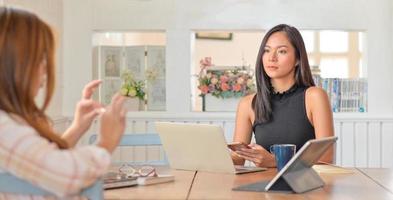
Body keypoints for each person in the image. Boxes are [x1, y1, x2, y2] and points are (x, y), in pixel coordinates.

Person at [0, 7, 127, 199]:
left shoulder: (11, 122)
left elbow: (42, 165)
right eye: (40, 58)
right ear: (16, 62)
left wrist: (77, 126)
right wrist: (106, 141)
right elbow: (67, 175)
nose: (46, 67)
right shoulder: (4, 128)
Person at [231, 24, 334, 168]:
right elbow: (237, 160)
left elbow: (326, 157)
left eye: (282, 51)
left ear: (298, 59)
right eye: (266, 51)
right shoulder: (247, 104)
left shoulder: (314, 97)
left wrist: (276, 161)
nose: (271, 58)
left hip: (305, 188)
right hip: (262, 187)